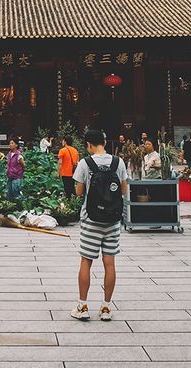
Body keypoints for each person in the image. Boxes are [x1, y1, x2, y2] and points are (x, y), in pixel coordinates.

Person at [71, 129, 128, 322]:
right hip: (112, 220)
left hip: (91, 220)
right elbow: (124, 189)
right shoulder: (118, 162)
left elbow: (79, 193)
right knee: (109, 263)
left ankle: (83, 306)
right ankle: (106, 307)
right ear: (104, 142)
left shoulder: (85, 163)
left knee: (86, 261)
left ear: (88, 144)